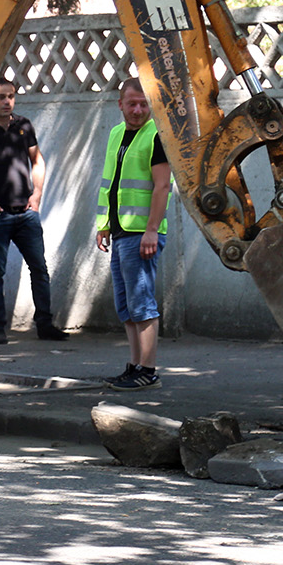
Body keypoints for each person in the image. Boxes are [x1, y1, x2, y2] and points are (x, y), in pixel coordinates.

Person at [95, 76, 173, 390]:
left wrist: (151, 231)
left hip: (142, 233)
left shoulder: (156, 136)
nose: (138, 110)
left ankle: (148, 370)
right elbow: (110, 185)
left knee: (142, 304)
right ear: (121, 105)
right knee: (126, 306)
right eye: (132, 104)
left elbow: (162, 186)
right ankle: (135, 365)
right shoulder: (116, 134)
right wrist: (103, 225)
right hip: (121, 231)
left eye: (143, 104)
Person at [0, 75, 69, 345]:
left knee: (39, 268)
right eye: (1, 97)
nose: (7, 102)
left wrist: (38, 194)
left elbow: (37, 160)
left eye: (11, 96)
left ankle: (44, 324)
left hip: (26, 212)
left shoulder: (23, 126)